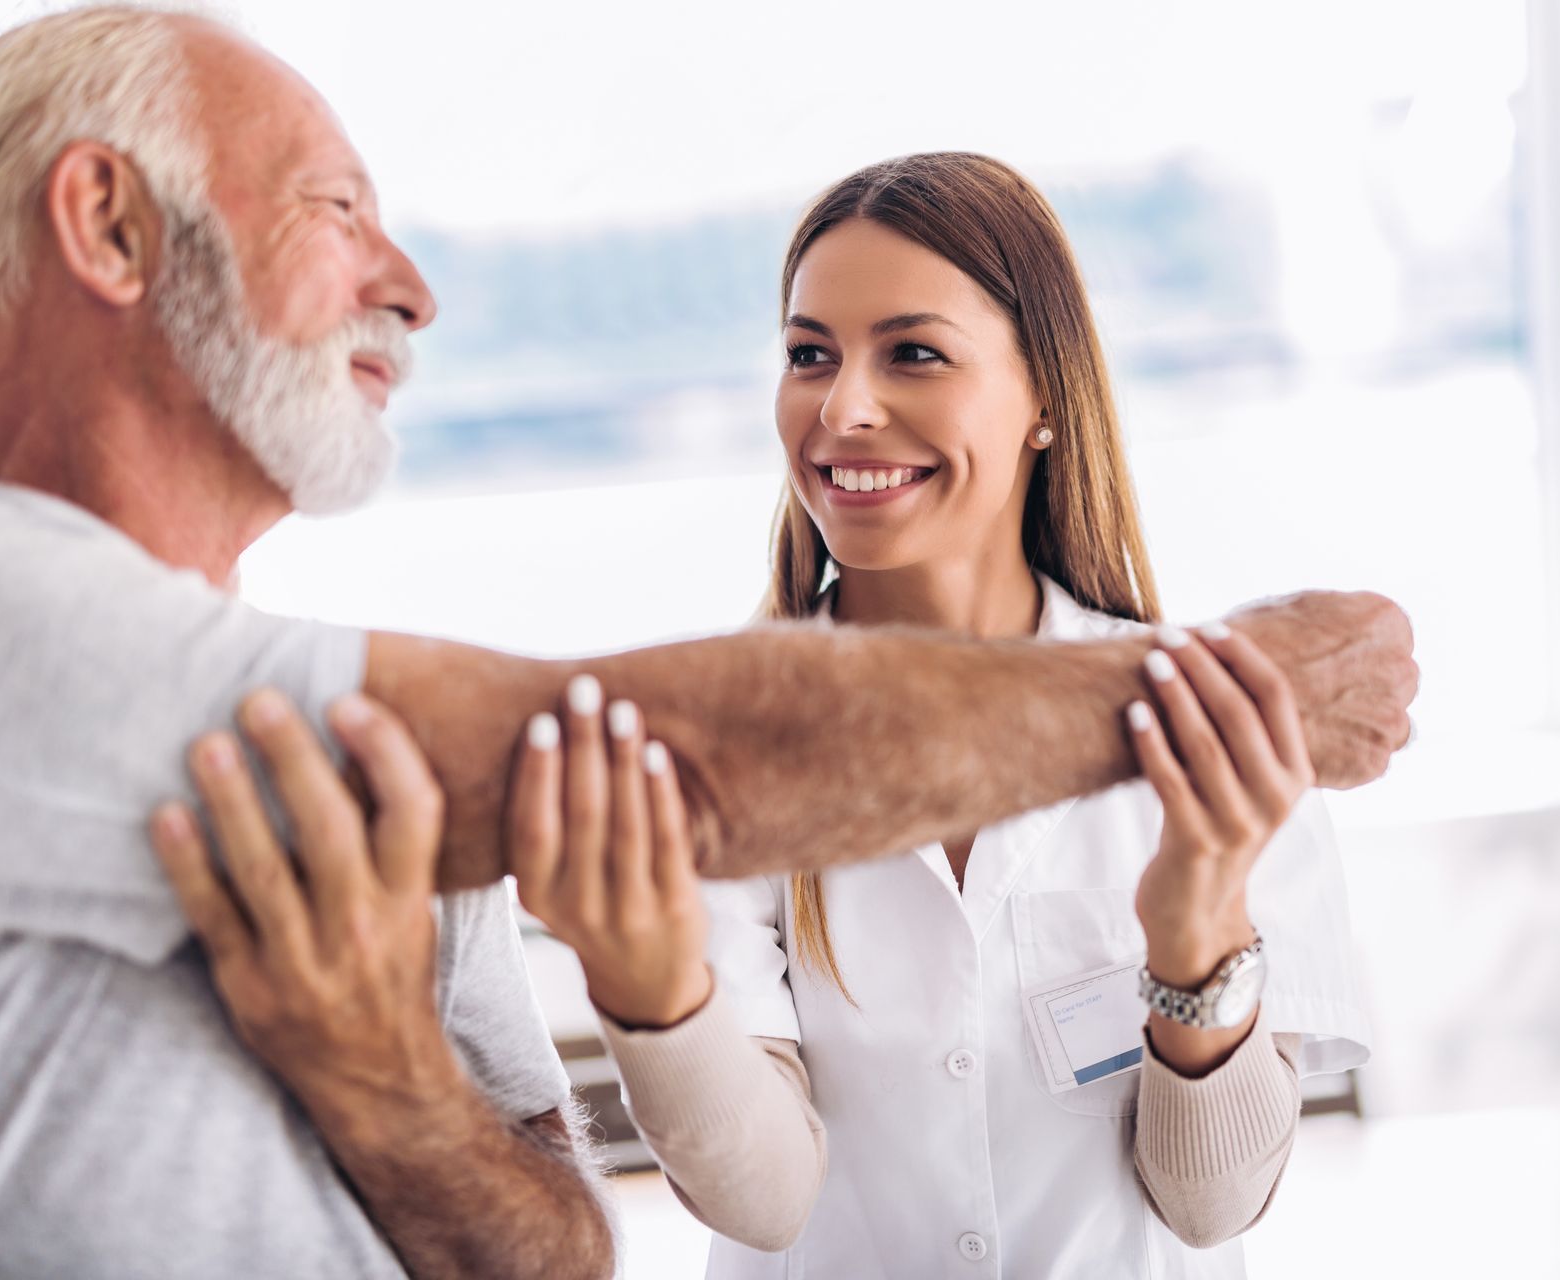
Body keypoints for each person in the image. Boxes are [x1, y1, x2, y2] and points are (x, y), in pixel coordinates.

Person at [0, 5, 1415, 1277]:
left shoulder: (378, 747)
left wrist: (383, 1086)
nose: (413, 285)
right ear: (109, 223)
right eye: (332, 208)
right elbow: (693, 759)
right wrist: (1228, 695)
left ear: (1046, 399)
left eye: (914, 354)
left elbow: (563, 1253)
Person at [509, 154, 1370, 1280]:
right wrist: (645, 982)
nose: (843, 408)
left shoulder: (1222, 732)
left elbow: (1211, 1206)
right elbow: (762, 1199)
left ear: (1046, 400)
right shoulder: (714, 741)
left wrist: (1197, 915)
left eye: (913, 353)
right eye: (809, 353)